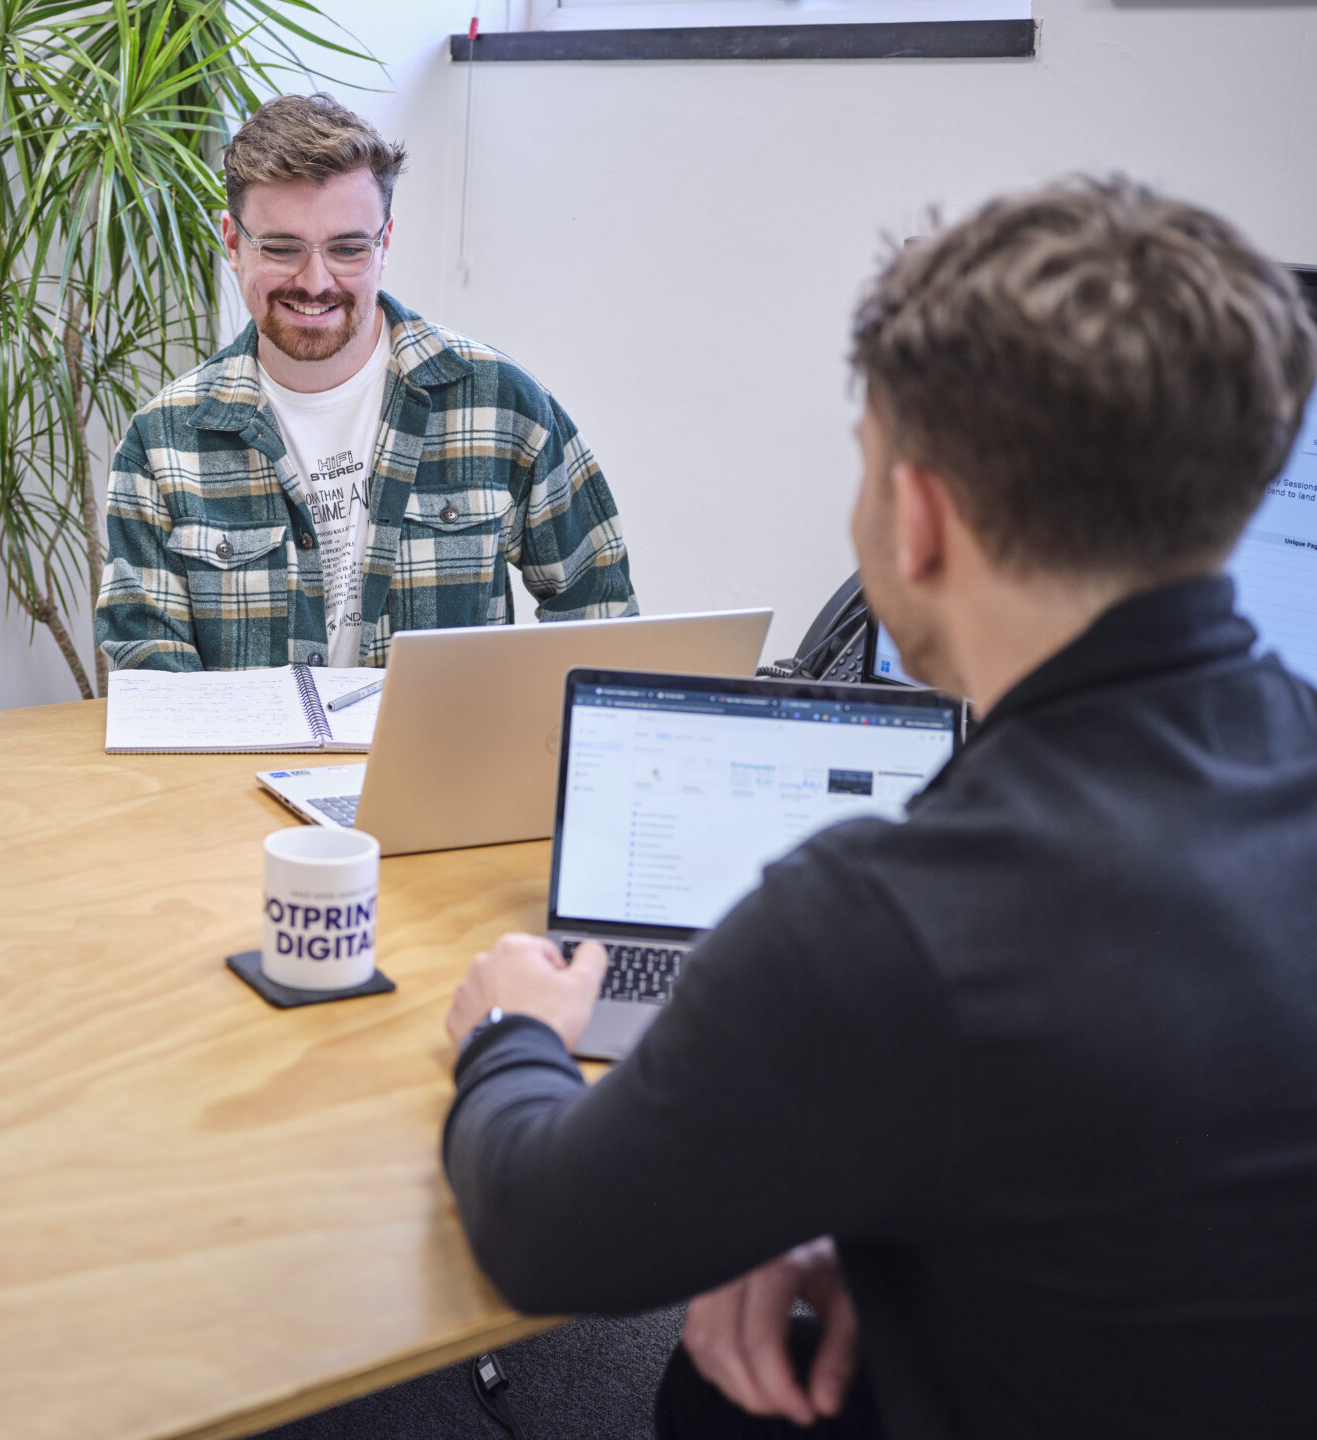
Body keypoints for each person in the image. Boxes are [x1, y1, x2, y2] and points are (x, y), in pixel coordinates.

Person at [441, 176, 1317, 1439]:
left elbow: (539, 1234)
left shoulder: (888, 921)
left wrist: (513, 1035)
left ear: (915, 517)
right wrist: (858, 1208)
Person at [94, 93, 636, 673]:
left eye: (349, 248)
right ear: (232, 242)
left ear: (385, 242)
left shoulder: (503, 404)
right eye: (281, 248)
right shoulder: (162, 442)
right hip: (238, 766)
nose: (315, 280)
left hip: (444, 763)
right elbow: (151, 671)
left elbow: (598, 615)